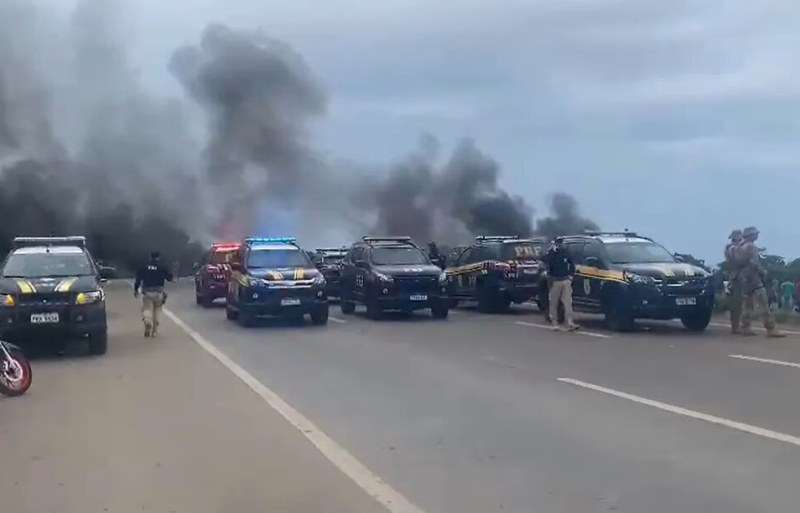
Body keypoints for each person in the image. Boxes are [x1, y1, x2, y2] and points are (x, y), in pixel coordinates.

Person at [737, 227, 784, 337]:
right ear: (751, 235)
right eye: (755, 234)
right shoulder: (751, 246)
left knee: (747, 305)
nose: (756, 235)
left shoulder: (740, 247)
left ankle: (746, 326)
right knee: (763, 303)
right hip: (753, 277)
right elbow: (754, 263)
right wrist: (762, 272)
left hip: (744, 277)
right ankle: (770, 328)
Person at [133, 251, 174, 337]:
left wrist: (136, 290)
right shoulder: (162, 268)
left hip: (147, 292)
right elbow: (170, 278)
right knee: (157, 310)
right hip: (158, 293)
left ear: (150, 257)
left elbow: (138, 280)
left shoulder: (143, 268)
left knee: (147, 308)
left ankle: (147, 320)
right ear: (159, 258)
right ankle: (154, 331)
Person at [543, 237, 578, 331]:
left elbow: (572, 265)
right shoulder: (552, 253)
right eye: (558, 243)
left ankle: (570, 322)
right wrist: (551, 251)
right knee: (554, 303)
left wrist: (571, 275)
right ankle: (554, 322)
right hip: (554, 281)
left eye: (561, 243)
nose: (560, 245)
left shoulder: (566, 253)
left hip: (565, 280)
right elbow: (545, 261)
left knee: (568, 302)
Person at [723, 229, 743, 333]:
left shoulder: (730, 247)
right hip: (737, 276)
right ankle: (735, 326)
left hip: (735, 275)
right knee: (737, 303)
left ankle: (737, 325)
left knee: (739, 303)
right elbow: (737, 261)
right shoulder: (733, 248)